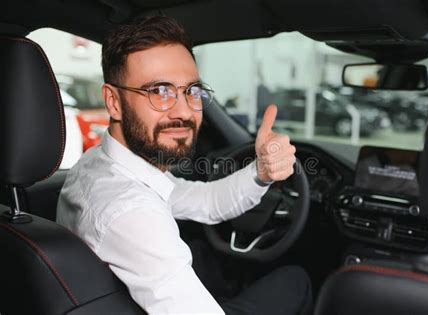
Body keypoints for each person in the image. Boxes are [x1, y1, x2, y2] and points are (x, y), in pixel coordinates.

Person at [56, 15, 313, 314]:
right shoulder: (131, 211)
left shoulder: (100, 164)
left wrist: (261, 172)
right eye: (160, 92)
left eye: (191, 91)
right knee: (296, 280)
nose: (183, 111)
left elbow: (205, 202)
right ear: (113, 102)